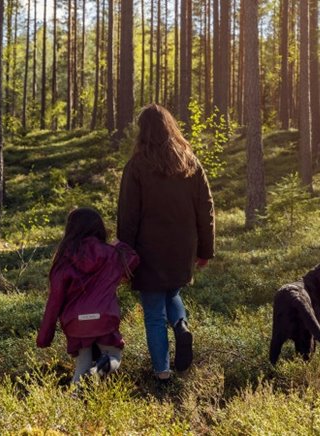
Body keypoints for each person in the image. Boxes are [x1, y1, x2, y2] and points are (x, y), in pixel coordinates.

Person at [117, 104, 216, 381]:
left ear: (142, 132)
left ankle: (162, 373)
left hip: (148, 252)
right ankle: (181, 325)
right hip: (182, 247)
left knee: (153, 312)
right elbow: (205, 208)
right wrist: (205, 250)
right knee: (171, 293)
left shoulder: (136, 166)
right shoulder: (190, 162)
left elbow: (128, 215)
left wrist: (124, 255)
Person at [37, 207, 140, 385]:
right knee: (114, 355)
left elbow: (54, 301)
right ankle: (98, 370)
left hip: (76, 323)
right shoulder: (111, 254)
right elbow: (133, 259)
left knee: (82, 364)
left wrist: (45, 337)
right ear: (99, 227)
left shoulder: (63, 258)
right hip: (104, 318)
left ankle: (74, 403)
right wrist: (119, 244)